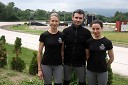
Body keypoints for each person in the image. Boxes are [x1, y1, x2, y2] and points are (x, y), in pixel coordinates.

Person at [62, 9, 92, 85]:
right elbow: (62, 47)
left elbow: (88, 49)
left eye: (80, 18)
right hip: (67, 62)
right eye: (76, 17)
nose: (78, 20)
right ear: (72, 17)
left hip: (81, 63)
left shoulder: (87, 33)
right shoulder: (66, 31)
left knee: (82, 82)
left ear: (83, 19)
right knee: (66, 82)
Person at [37, 13, 64, 85]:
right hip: (46, 64)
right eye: (52, 21)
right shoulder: (44, 35)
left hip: (58, 65)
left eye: (56, 21)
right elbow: (39, 52)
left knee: (58, 83)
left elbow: (62, 50)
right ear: (49, 21)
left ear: (59, 22)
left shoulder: (62, 35)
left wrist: (62, 62)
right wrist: (39, 69)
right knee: (47, 83)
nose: (54, 23)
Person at [86, 20, 114, 85]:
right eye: (93, 29)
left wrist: (105, 65)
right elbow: (87, 55)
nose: (95, 31)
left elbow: (112, 57)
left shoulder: (107, 42)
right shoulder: (88, 42)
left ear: (102, 28)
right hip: (90, 70)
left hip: (102, 70)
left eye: (98, 29)